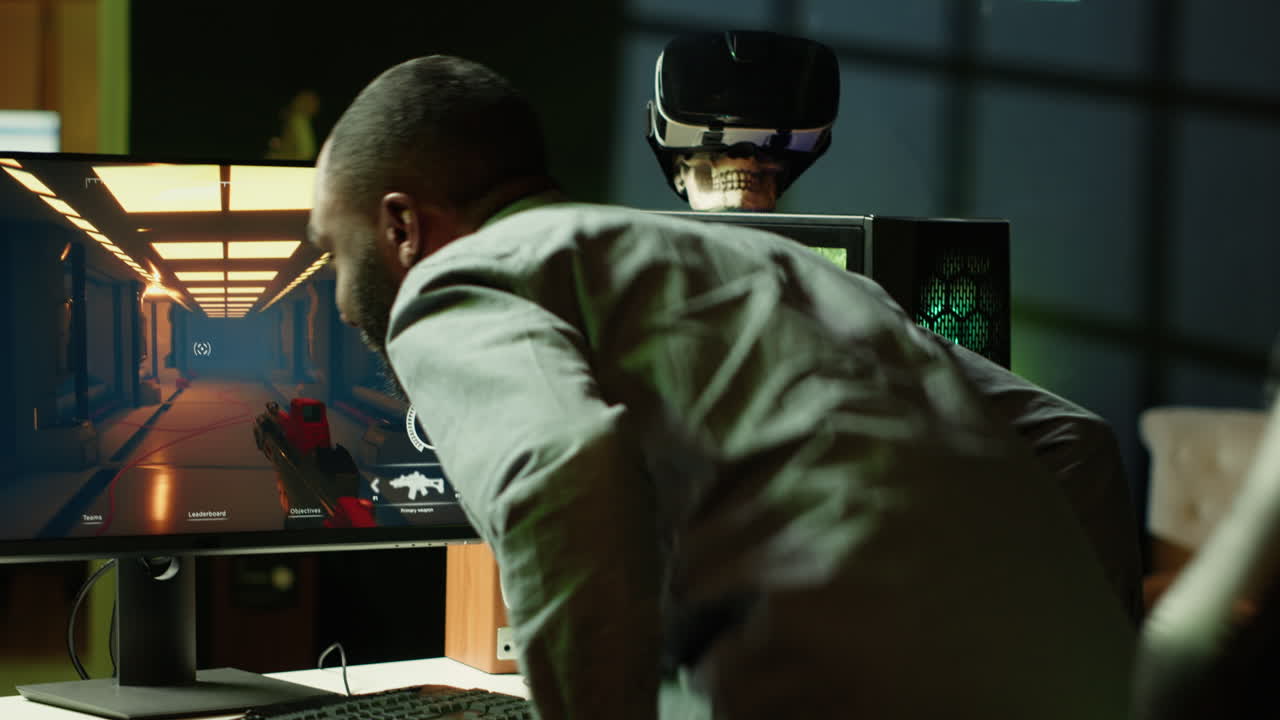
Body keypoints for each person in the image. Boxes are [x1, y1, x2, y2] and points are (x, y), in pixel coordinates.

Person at [310, 55, 1137, 719]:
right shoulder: (767, 257)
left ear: (401, 226)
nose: (342, 294)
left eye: (335, 252)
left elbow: (562, 471)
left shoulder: (456, 280)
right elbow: (1075, 443)